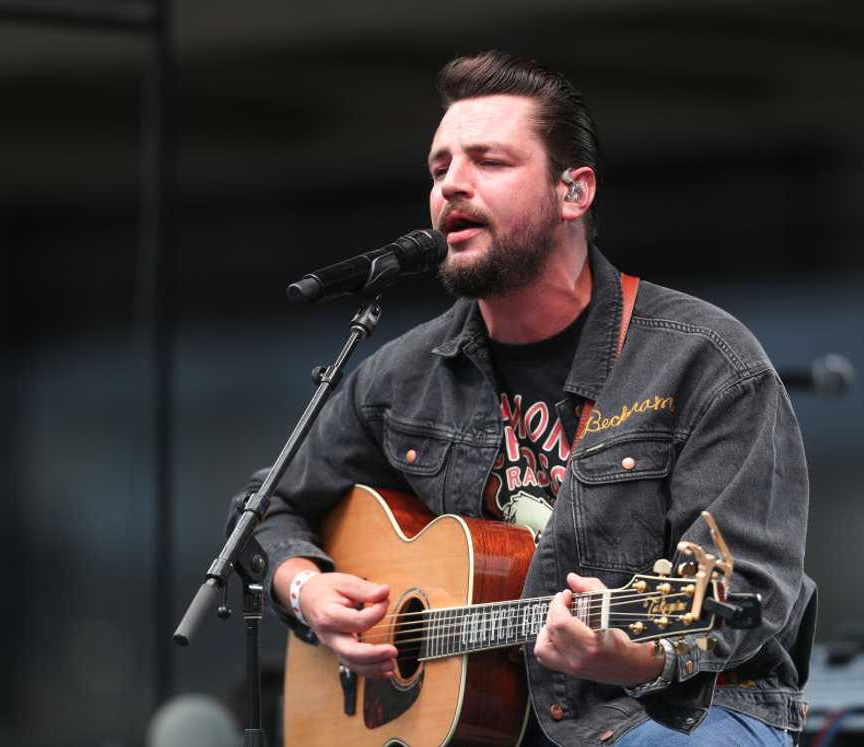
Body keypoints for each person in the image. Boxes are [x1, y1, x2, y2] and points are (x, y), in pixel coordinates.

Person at [230, 50, 816, 746]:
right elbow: (265, 507)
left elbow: (744, 583)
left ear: (575, 192)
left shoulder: (704, 360)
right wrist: (306, 588)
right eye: (440, 167)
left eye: (489, 162)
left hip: (671, 713)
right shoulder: (405, 373)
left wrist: (635, 653)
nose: (453, 185)